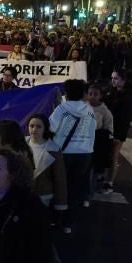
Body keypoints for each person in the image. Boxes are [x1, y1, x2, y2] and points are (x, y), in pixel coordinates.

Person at [49, 79, 96, 234]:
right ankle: (68, 222)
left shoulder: (62, 109)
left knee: (59, 185)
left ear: (67, 93)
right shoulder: (89, 110)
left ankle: (55, 218)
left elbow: (50, 128)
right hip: (85, 153)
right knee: (76, 188)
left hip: (64, 153)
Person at [26, 113, 68, 212]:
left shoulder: (53, 149)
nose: (34, 129)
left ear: (45, 128)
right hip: (24, 194)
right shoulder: (22, 145)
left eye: (38, 126)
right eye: (31, 126)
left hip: (43, 195)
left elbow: (60, 179)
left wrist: (60, 203)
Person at [103, 70, 132, 193]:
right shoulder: (112, 91)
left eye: (116, 78)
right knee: (106, 154)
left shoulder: (128, 96)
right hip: (107, 127)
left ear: (123, 80)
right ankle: (103, 177)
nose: (112, 81)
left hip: (118, 130)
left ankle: (109, 183)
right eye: (112, 78)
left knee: (113, 156)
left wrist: (118, 135)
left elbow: (125, 118)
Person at [87, 84, 114, 199]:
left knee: (93, 170)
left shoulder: (105, 111)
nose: (92, 97)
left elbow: (109, 130)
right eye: (90, 94)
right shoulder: (84, 107)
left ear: (100, 96)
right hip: (84, 143)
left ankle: (89, 194)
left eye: (95, 94)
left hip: (97, 145)